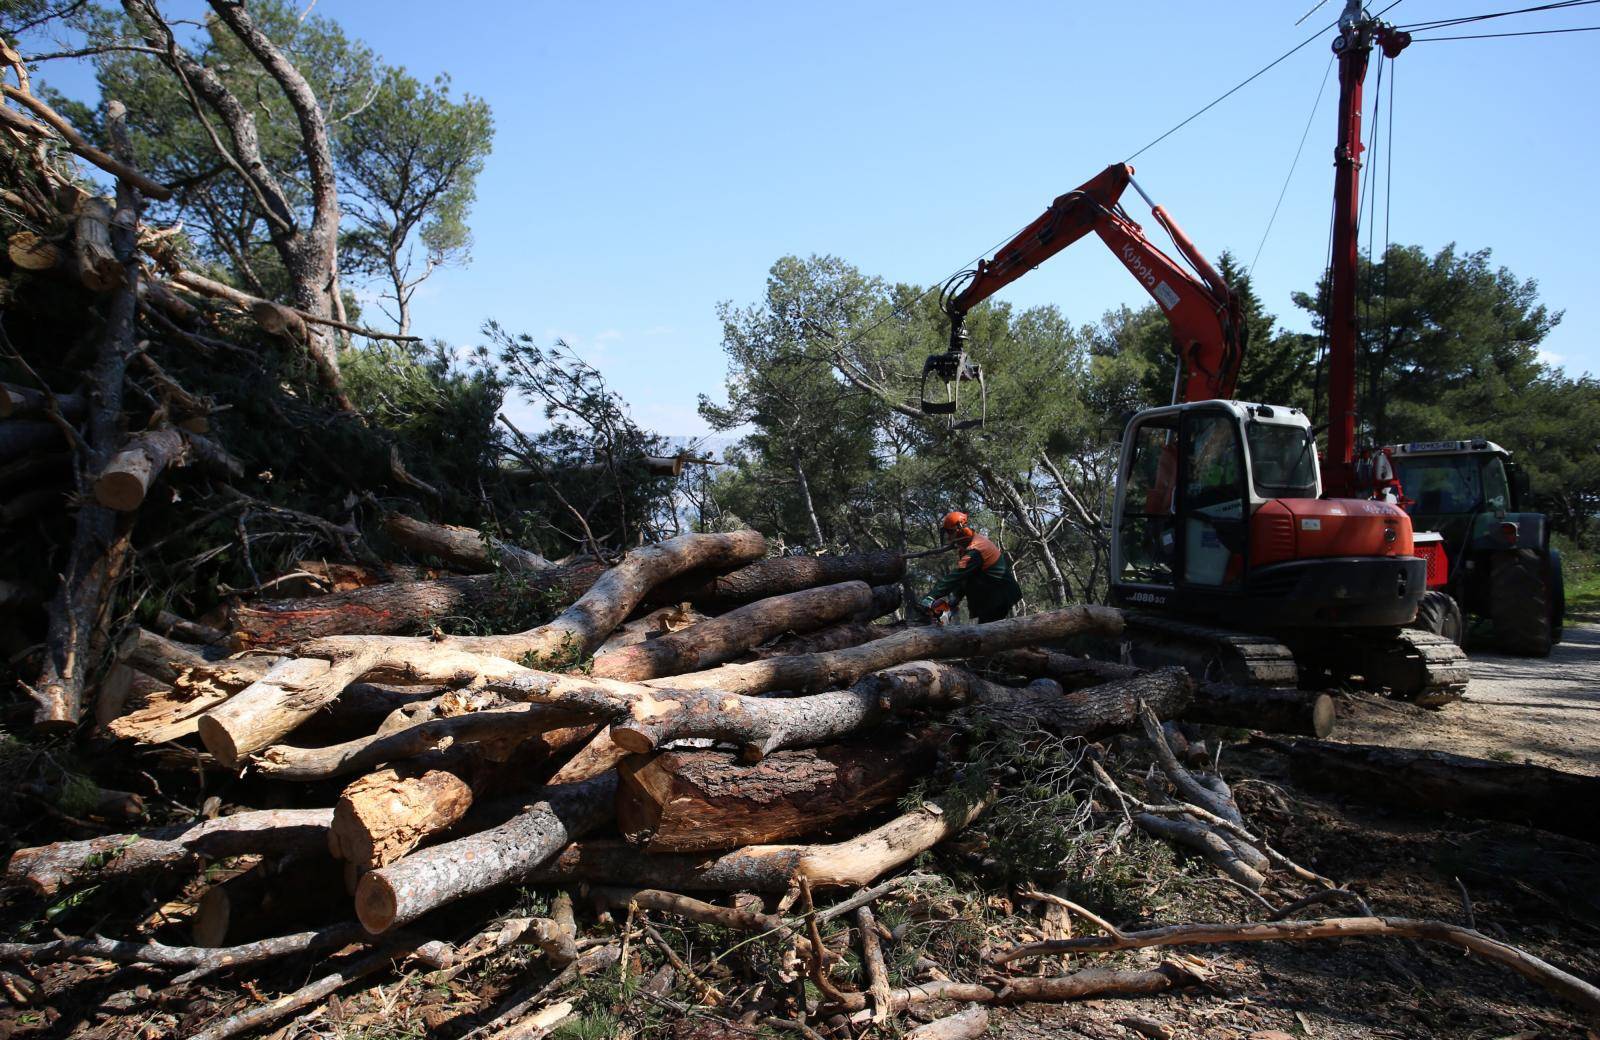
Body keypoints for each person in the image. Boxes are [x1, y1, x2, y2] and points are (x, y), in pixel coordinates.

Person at [919, 511, 1023, 623]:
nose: (948, 536)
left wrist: (931, 597)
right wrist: (955, 599)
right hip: (993, 594)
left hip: (999, 594)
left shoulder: (975, 550)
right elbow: (966, 577)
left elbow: (955, 576)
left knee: (988, 633)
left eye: (950, 532)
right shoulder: (968, 546)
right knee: (987, 630)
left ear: (959, 529)